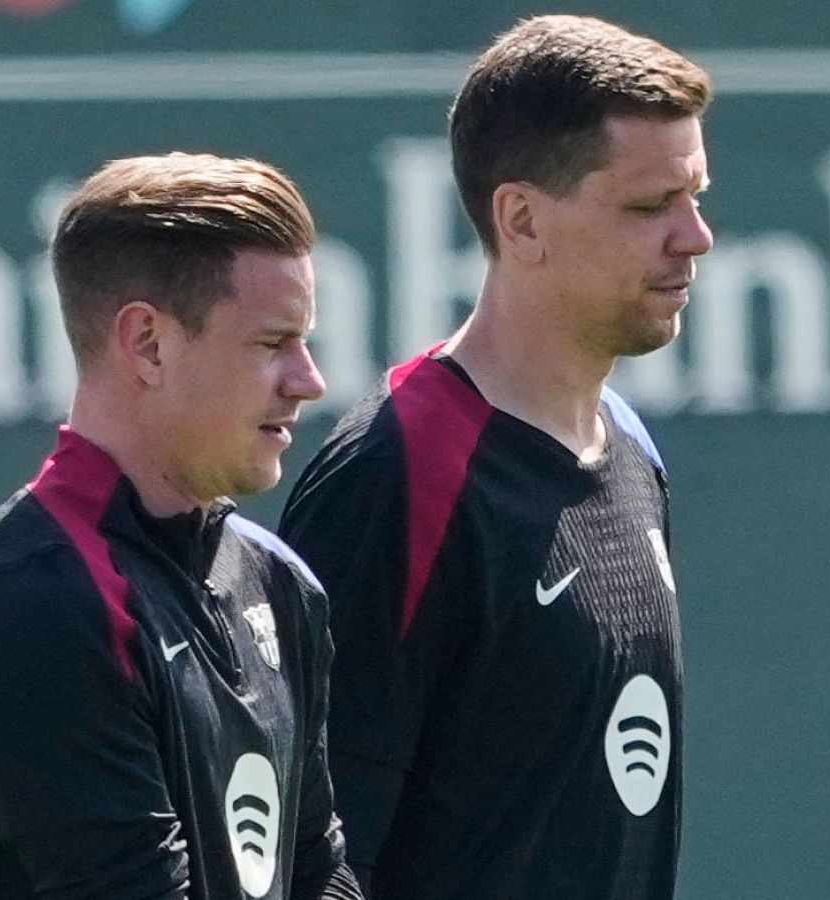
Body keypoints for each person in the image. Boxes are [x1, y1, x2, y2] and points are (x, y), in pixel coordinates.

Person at [279, 15, 713, 899]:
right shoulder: (399, 470)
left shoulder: (628, 449)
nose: (695, 236)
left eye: (697, 194)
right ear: (521, 219)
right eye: (647, 206)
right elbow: (313, 857)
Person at [0, 152, 361, 900]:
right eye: (271, 342)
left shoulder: (280, 584)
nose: (309, 380)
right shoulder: (39, 599)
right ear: (148, 344)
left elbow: (319, 871)